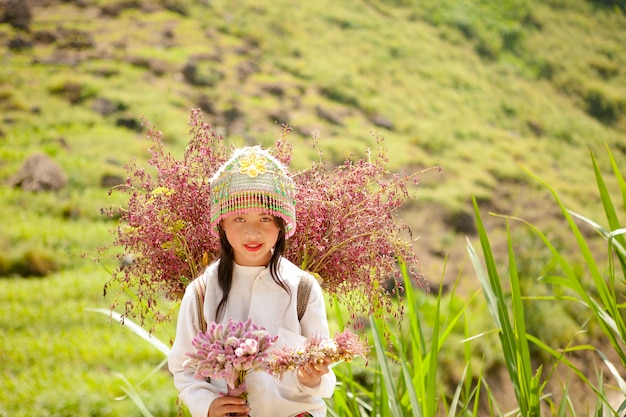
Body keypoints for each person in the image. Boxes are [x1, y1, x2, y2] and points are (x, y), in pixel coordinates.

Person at [168, 145, 336, 417]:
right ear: (221, 223)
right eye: (239, 218)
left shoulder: (303, 288)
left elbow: (326, 373)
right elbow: (184, 369)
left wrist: (312, 378)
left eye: (265, 218)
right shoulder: (200, 293)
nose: (252, 232)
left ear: (281, 223)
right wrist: (208, 405)